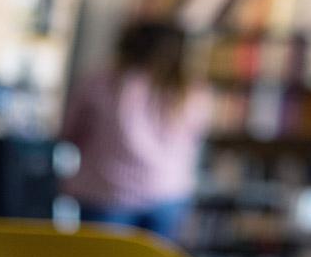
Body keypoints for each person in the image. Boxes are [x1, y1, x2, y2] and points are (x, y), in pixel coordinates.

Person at [59, 21, 211, 242]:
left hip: (106, 192)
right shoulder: (192, 92)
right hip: (169, 193)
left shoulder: (100, 83)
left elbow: (68, 132)